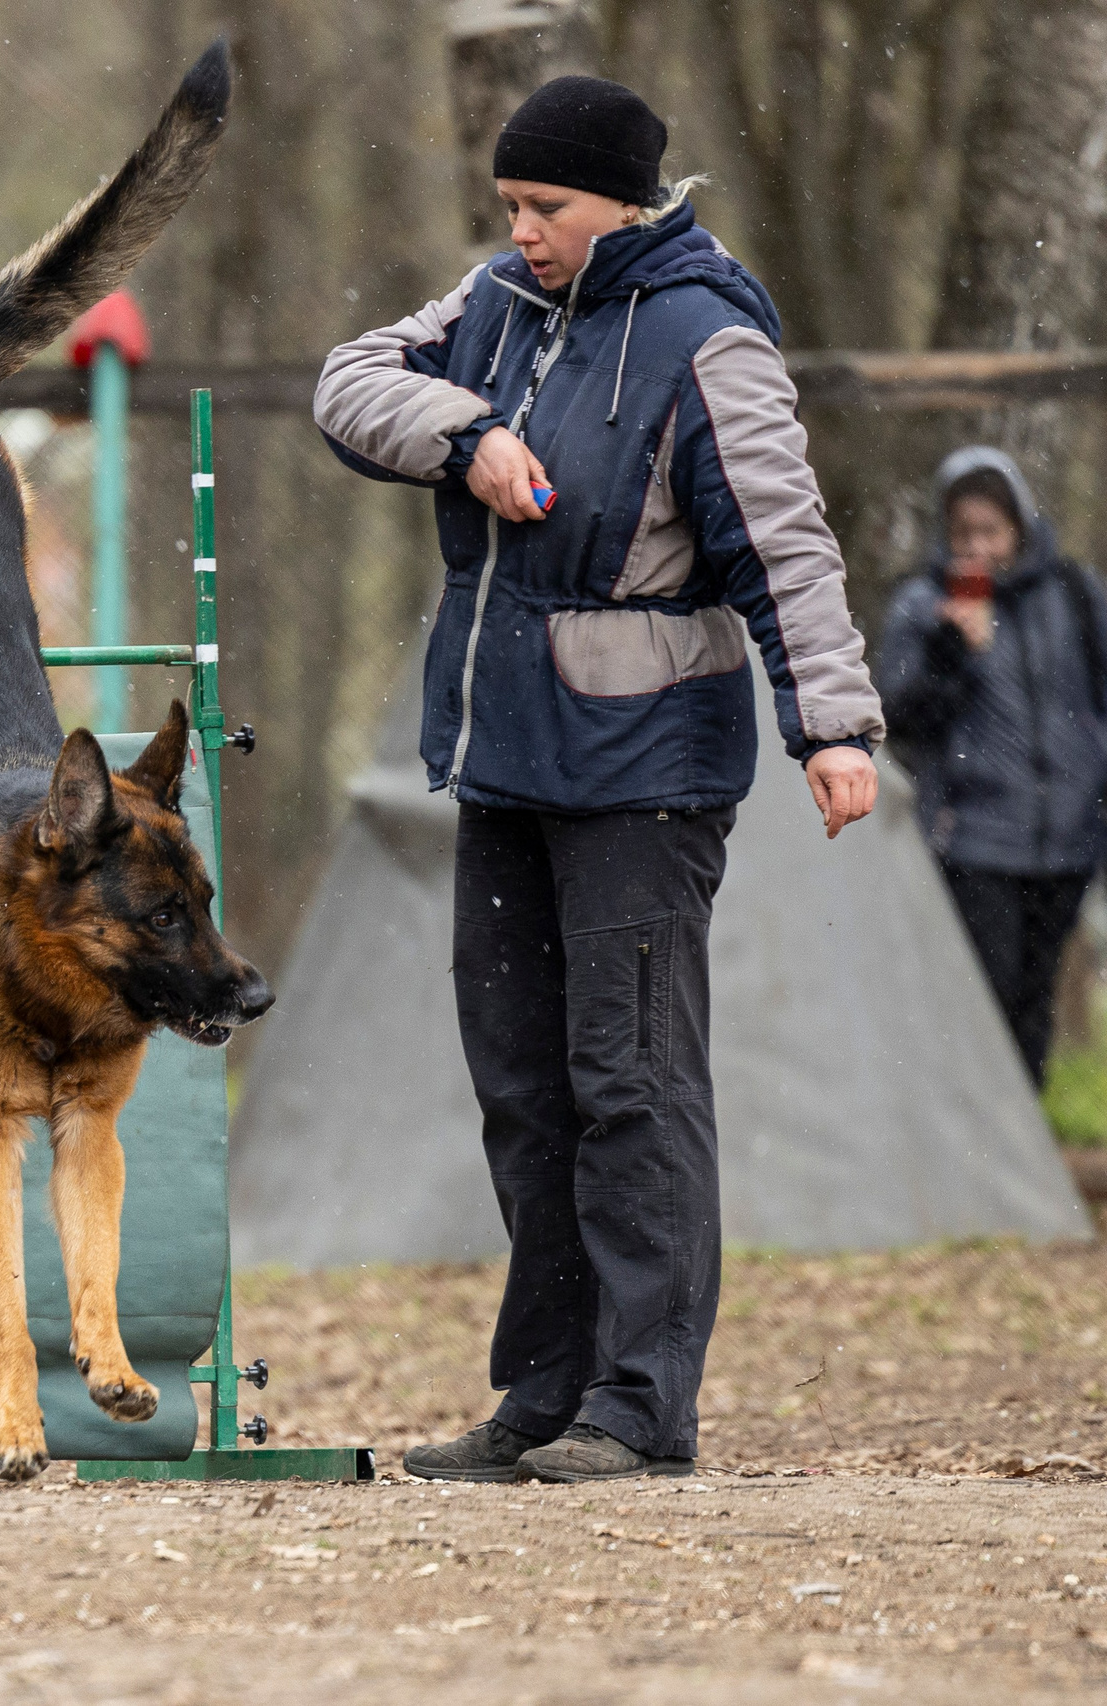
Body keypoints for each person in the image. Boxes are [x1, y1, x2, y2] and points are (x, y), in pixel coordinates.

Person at [312, 75, 884, 1483]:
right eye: (509, 206)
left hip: (645, 775)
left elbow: (785, 545)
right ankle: (541, 1394)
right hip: (505, 760)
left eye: (548, 208)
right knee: (524, 1087)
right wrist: (468, 433)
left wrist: (835, 724)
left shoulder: (711, 339)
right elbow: (346, 385)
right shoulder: (496, 306)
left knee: (629, 1082)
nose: (522, 233)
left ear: (626, 202)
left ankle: (640, 1402)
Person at [877, 447, 1107, 1081]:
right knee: (982, 1006)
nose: (978, 547)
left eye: (992, 531)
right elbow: (897, 720)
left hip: (1067, 844)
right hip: (974, 845)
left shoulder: (1073, 595)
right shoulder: (922, 604)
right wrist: (953, 648)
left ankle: (1021, 1164)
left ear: (1020, 528)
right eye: (963, 533)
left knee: (1034, 1015)